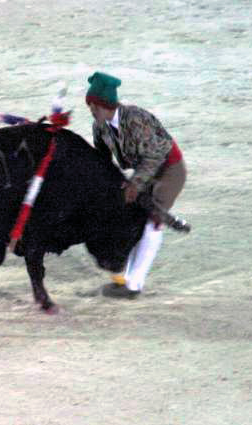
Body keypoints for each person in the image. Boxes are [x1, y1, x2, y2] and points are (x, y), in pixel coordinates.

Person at [86, 71, 187, 299]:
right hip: (144, 173)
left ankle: (133, 286)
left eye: (94, 105)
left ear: (105, 105)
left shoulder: (134, 118)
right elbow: (101, 160)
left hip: (170, 170)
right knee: (134, 219)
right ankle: (126, 280)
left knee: (153, 219)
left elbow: (154, 155)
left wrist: (135, 184)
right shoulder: (100, 126)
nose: (91, 110)